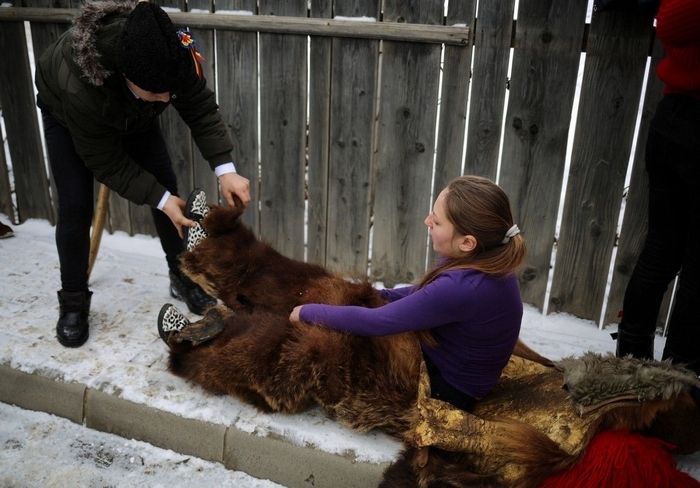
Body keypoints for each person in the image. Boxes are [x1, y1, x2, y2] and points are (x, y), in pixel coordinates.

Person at [35, 0, 251, 348]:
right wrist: (160, 200)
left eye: (168, 91)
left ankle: (182, 277)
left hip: (130, 111)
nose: (166, 99)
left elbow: (198, 106)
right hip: (67, 115)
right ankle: (73, 300)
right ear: (126, 76)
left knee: (166, 188)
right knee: (75, 207)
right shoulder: (79, 87)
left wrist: (225, 168)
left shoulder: (170, 56)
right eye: (156, 93)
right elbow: (107, 162)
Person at [289, 175, 527, 411]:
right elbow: (422, 294)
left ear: (467, 243)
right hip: (459, 368)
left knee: (356, 348)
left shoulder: (464, 287)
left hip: (450, 390)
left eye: (437, 220)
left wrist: (308, 312)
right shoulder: (490, 257)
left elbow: (378, 322)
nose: (427, 221)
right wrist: (379, 294)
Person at [615, 0, 700, 375]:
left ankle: (631, 366)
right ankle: (678, 384)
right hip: (682, 116)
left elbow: (670, 19)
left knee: (662, 249)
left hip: (674, 121)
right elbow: (674, 20)